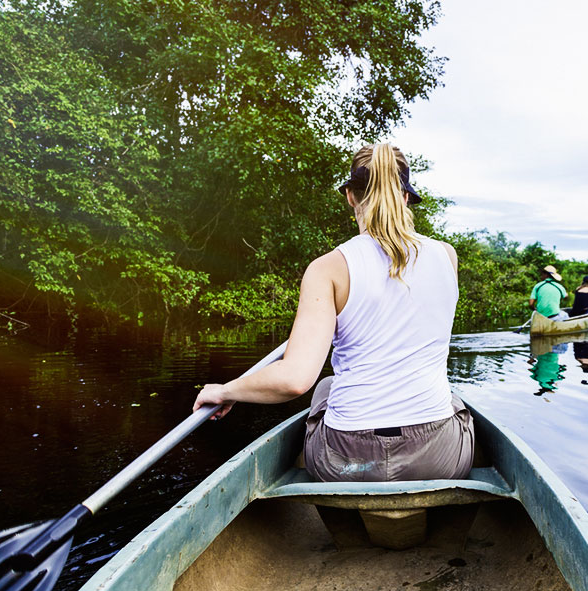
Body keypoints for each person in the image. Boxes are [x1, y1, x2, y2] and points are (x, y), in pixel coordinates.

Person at [192, 143, 473, 482]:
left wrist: (225, 390)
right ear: (405, 197)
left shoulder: (328, 268)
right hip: (437, 459)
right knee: (452, 398)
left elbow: (295, 380)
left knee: (325, 386)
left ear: (350, 197)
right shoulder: (447, 255)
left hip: (348, 464)